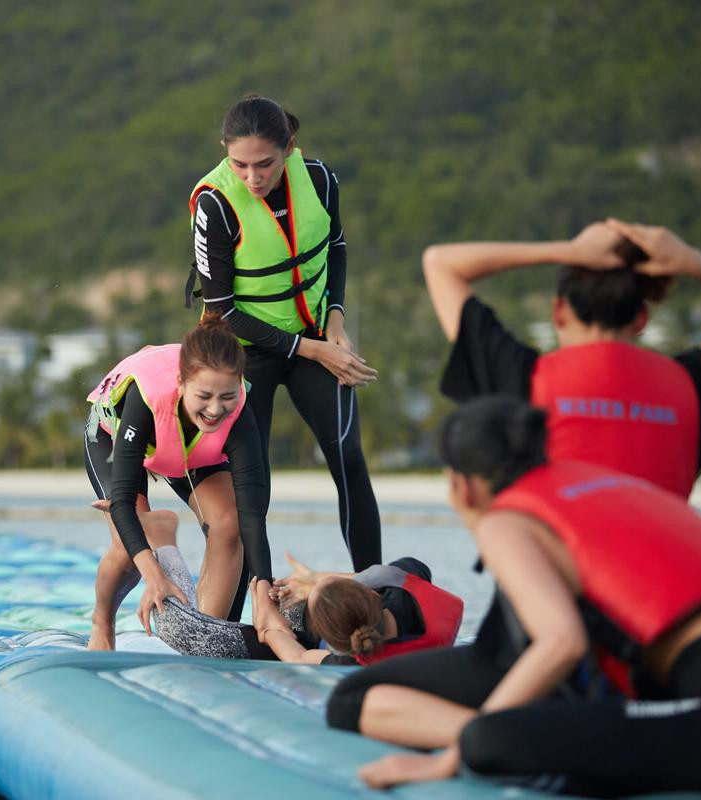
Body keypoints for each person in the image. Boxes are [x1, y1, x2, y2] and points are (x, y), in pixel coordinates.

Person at [344, 396, 701, 797]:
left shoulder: (503, 517)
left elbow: (562, 642)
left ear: (461, 485)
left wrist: (450, 759)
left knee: (487, 740)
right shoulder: (619, 490)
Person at [423, 218, 701, 499]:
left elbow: (440, 262)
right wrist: (695, 263)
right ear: (642, 318)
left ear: (559, 312)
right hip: (663, 582)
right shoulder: (691, 385)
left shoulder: (525, 378)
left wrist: (569, 251)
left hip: (548, 582)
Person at [188, 94, 381, 575]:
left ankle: (374, 591)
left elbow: (335, 246)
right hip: (246, 354)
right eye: (240, 164)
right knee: (252, 488)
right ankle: (255, 601)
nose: (252, 177)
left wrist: (335, 318)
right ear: (224, 152)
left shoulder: (318, 179)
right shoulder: (215, 203)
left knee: (348, 457)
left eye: (265, 164)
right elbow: (223, 310)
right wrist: (314, 349)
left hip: (316, 337)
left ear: (289, 146)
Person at [84, 313, 270, 650]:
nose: (216, 409)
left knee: (230, 523)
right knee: (129, 546)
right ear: (181, 383)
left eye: (227, 397)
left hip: (188, 445)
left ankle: (203, 640)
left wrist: (265, 596)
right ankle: (102, 620)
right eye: (205, 396)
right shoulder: (147, 397)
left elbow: (254, 516)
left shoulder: (238, 408)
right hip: (113, 435)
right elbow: (123, 503)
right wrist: (154, 578)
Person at [149, 545, 463, 664]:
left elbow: (295, 654)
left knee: (170, 624)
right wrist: (313, 579)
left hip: (288, 628)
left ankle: (163, 542)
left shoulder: (348, 662)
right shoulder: (406, 587)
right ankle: (303, 593)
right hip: (331, 615)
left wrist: (266, 615)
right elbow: (373, 575)